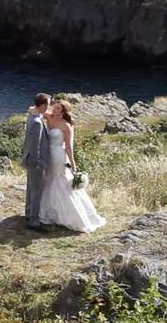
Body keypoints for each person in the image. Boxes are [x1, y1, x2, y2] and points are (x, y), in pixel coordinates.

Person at [37, 100, 106, 233]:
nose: (53, 110)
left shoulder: (66, 126)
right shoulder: (49, 117)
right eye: (54, 107)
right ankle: (50, 212)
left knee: (60, 181)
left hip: (58, 155)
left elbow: (69, 146)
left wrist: (73, 164)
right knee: (49, 180)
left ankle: (71, 216)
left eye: (57, 109)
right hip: (47, 154)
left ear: (62, 113)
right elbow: (34, 110)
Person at [22, 93, 51, 230]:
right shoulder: (37, 123)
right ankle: (34, 220)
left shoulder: (33, 116)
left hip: (30, 159)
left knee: (31, 188)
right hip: (36, 161)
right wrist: (39, 162)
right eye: (48, 104)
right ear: (43, 105)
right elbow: (35, 146)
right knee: (37, 190)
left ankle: (28, 212)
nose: (49, 107)